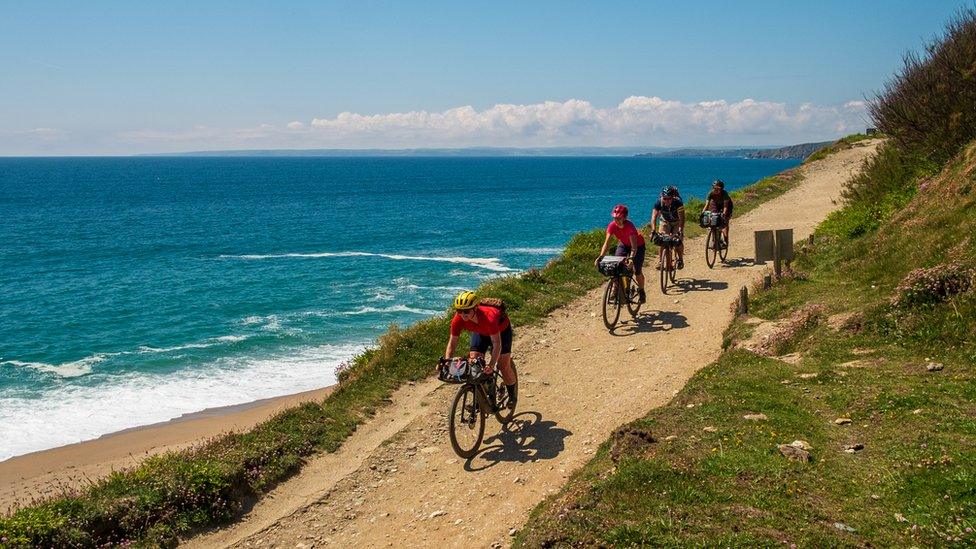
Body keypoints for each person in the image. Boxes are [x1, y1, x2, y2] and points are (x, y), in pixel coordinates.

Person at [442, 291, 517, 409]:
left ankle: (512, 395)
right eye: (459, 311)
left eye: (466, 311)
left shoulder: (489, 318)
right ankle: (481, 397)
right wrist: (447, 362)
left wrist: (491, 365)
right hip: (480, 332)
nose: (463, 315)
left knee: (503, 365)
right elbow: (452, 343)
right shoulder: (458, 319)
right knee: (474, 362)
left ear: (475, 308)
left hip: (501, 333)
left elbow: (497, 344)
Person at [594, 204, 646, 303]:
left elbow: (634, 247)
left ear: (624, 218)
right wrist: (600, 257)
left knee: (637, 270)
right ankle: (615, 288)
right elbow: (607, 243)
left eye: (619, 218)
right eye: (614, 218)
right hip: (624, 244)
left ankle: (641, 291)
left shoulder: (630, 227)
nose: (616, 220)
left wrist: (631, 259)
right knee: (615, 266)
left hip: (638, 246)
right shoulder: (612, 225)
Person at [650, 186, 686, 269]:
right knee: (663, 241)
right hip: (665, 222)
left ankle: (680, 259)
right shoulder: (658, 203)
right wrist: (653, 230)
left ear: (672, 197)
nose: (667, 200)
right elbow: (653, 217)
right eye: (664, 198)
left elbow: (682, 218)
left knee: (677, 241)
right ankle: (660, 261)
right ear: (661, 197)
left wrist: (680, 230)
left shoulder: (678, 202)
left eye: (669, 198)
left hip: (677, 222)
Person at [702, 179, 733, 246]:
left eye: (717, 188)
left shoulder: (725, 194)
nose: (715, 190)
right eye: (714, 188)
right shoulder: (711, 193)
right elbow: (707, 205)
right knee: (713, 221)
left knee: (725, 222)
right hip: (715, 204)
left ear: (721, 189)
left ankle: (726, 240)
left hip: (726, 206)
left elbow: (725, 207)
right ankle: (715, 240)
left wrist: (724, 214)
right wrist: (703, 213)